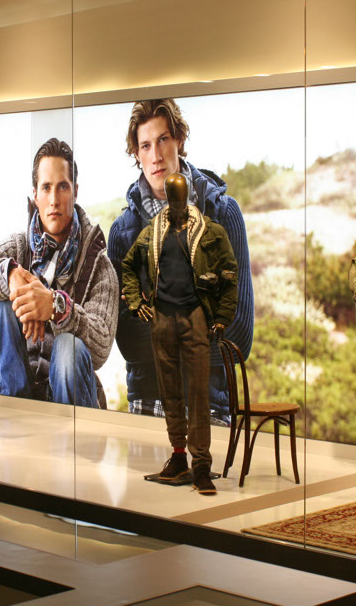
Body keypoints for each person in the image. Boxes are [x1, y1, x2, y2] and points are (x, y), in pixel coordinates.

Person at [108, 99, 253, 424]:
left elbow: (239, 333)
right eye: (145, 145)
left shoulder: (223, 214)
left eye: (163, 140)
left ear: (179, 139)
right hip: (147, 404)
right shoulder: (122, 232)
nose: (156, 156)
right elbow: (128, 342)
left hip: (210, 403)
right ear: (136, 153)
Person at [121, 172, 238, 495]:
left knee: (199, 393)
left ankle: (201, 464)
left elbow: (230, 275)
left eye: (180, 197)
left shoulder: (209, 231)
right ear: (167, 199)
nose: (176, 203)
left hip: (195, 316)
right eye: (172, 198)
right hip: (162, 318)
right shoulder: (153, 231)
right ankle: (178, 456)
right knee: (169, 391)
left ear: (187, 196)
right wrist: (136, 302)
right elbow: (128, 266)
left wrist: (222, 317)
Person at [0, 138, 118, 408]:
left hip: (72, 405)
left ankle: (66, 434)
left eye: (62, 187)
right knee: (1, 305)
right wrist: (10, 275)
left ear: (75, 191)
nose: (54, 200)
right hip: (18, 392)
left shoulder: (99, 266)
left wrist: (57, 308)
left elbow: (101, 348)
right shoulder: (18, 247)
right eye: (46, 187)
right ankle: (11, 417)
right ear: (35, 194)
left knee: (68, 346)